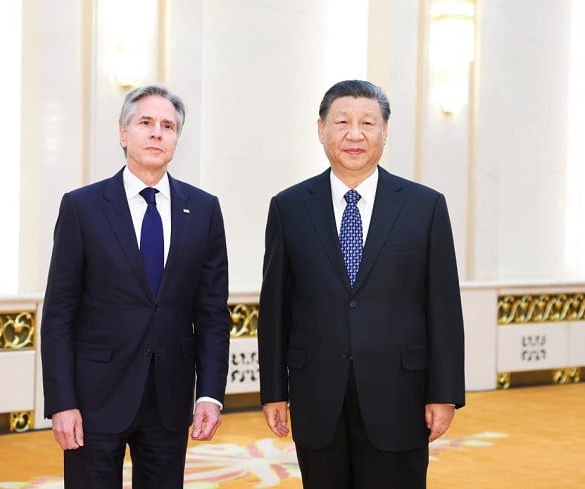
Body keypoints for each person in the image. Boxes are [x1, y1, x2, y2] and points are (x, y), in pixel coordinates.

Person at [258, 79, 465, 489]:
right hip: (317, 393)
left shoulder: (425, 207)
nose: (355, 134)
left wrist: (444, 391)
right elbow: (276, 308)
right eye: (342, 122)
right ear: (321, 130)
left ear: (384, 132)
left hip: (399, 396)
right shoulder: (289, 207)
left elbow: (443, 307)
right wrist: (273, 390)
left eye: (368, 123)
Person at [41, 84, 230, 489]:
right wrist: (62, 402)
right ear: (123, 133)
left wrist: (210, 394)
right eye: (145, 122)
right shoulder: (82, 207)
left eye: (168, 126)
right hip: (93, 401)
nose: (157, 133)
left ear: (177, 138)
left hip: (169, 401)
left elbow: (213, 314)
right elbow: (59, 313)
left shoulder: (203, 209)